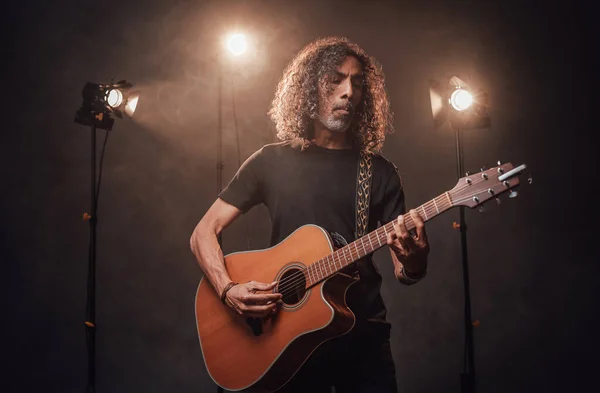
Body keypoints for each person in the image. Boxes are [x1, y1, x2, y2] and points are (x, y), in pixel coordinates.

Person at [190, 36, 430, 393]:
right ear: (309, 87)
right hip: (282, 336)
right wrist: (228, 290)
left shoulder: (378, 173)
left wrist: (415, 260)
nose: (348, 91)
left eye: (357, 83)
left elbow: (406, 272)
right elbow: (202, 233)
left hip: (360, 336)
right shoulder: (269, 161)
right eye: (335, 79)